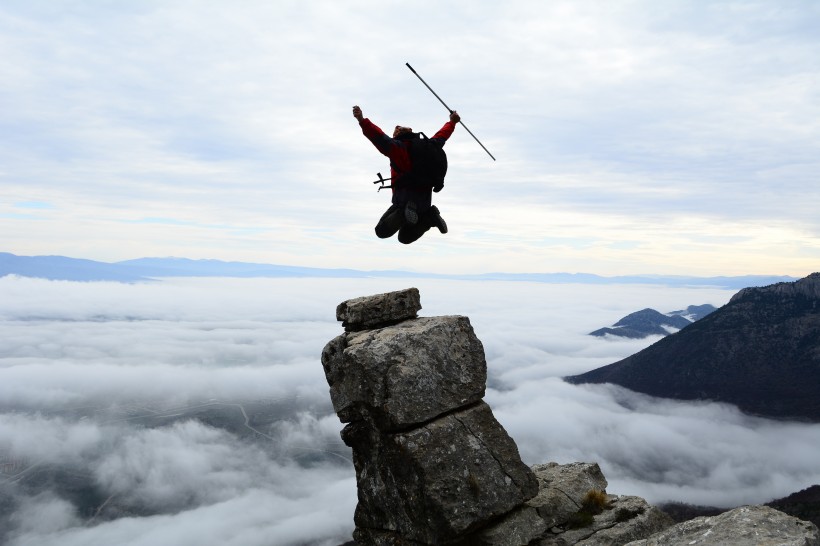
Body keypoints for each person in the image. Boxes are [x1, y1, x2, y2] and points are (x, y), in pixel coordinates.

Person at [353, 105, 459, 244]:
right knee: (404, 238)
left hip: (404, 201)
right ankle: (429, 218)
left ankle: (404, 213)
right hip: (424, 204)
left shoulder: (399, 148)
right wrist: (452, 122)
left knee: (381, 231)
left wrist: (361, 120)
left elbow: (378, 137)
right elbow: (442, 135)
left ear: (397, 136)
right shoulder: (430, 146)